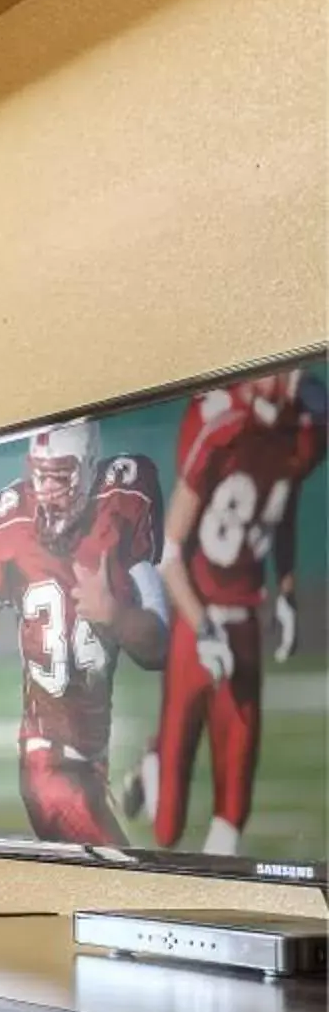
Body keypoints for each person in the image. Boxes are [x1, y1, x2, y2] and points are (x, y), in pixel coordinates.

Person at [124, 365, 324, 855]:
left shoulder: (306, 427)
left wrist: (287, 588)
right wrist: (204, 627)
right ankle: (154, 765)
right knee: (166, 827)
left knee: (232, 809)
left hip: (245, 615)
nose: (294, 383)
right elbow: (169, 553)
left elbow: (283, 501)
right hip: (199, 616)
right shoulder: (220, 423)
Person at [0, 417, 164, 846]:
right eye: (40, 476)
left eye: (60, 476)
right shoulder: (13, 522)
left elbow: (161, 644)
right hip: (46, 763)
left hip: (90, 763)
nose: (46, 490)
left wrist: (115, 616)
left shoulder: (120, 508)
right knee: (125, 879)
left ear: (88, 468)